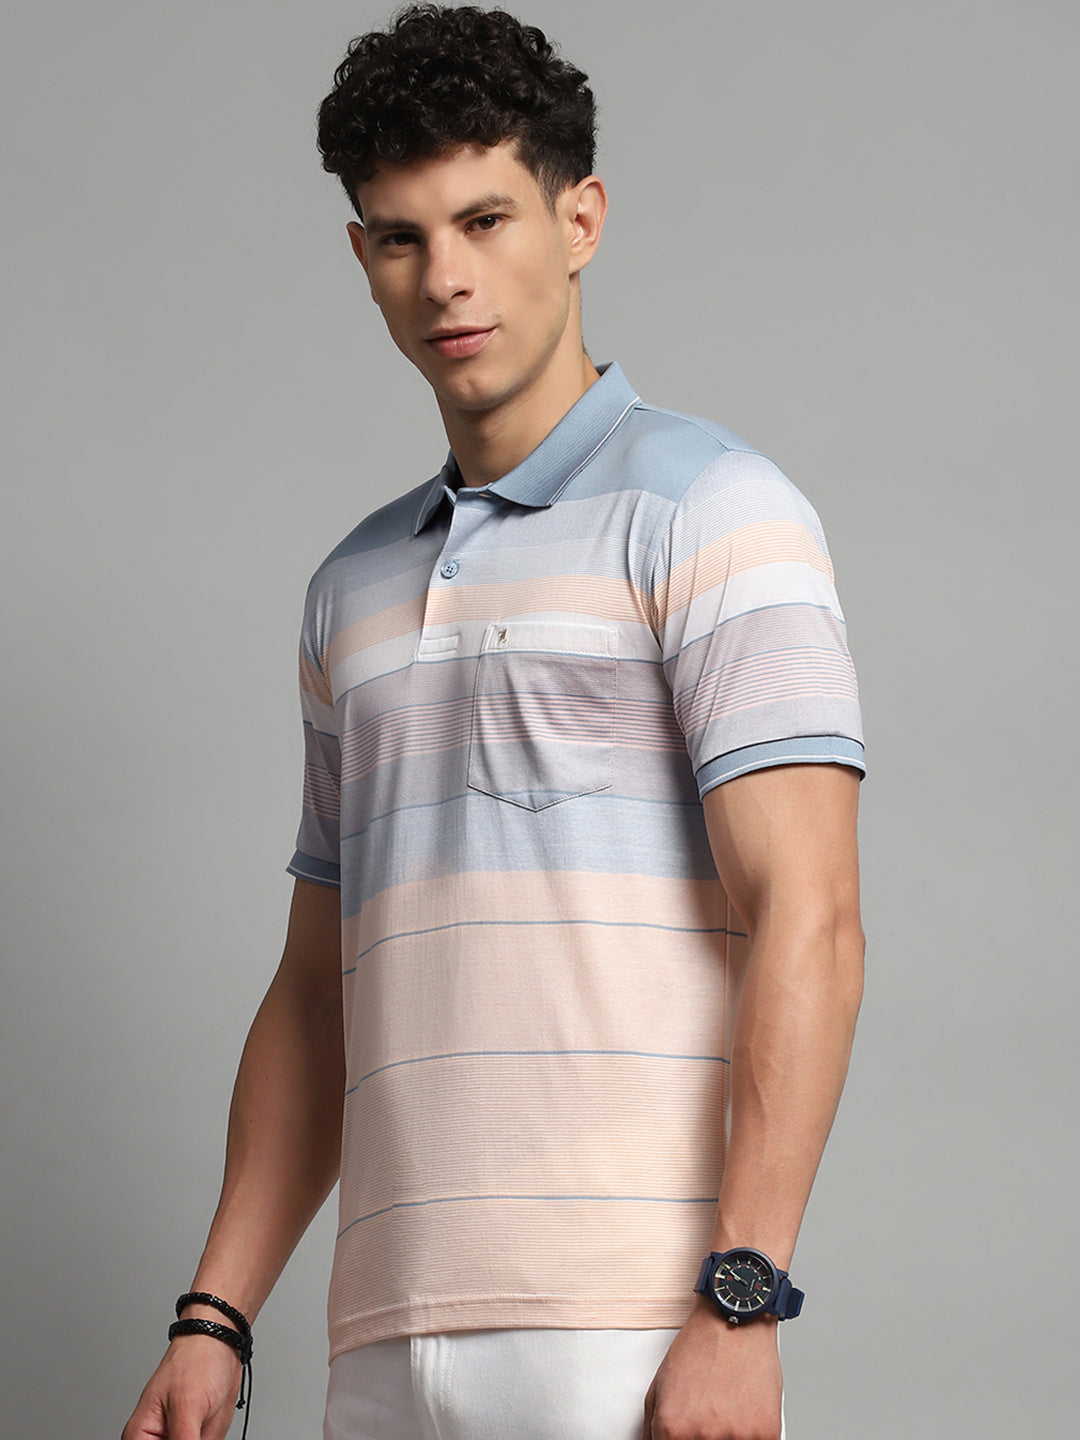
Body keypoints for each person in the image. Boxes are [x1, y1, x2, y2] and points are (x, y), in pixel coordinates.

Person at [122, 6, 866, 1438]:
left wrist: (742, 1300)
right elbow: (318, 991)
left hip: (625, 1326)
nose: (446, 278)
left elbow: (813, 920)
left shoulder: (714, 512)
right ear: (361, 257)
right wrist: (215, 1315)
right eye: (401, 238)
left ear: (580, 221)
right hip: (381, 1332)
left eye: (484, 220)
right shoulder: (350, 589)